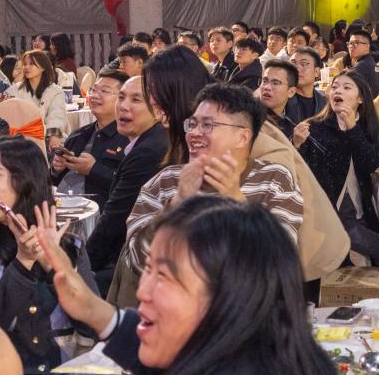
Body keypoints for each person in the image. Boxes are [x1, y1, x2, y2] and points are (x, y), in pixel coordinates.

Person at [0, 195, 347, 375]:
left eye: (165, 276)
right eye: (148, 270)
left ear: (231, 296)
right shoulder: (294, 361)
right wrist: (96, 311)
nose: (142, 291)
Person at [120, 82, 304, 290]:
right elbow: (136, 260)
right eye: (192, 124)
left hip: (244, 306)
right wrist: (178, 204)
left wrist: (236, 202)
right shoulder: (166, 181)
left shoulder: (273, 179)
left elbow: (279, 263)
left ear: (243, 137)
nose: (195, 133)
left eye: (207, 125)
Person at [0, 136, 97, 375]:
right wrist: (22, 264)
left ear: (25, 182)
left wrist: (54, 266)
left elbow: (94, 327)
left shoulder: (65, 240)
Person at [295, 71, 379, 265]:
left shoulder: (367, 127)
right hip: (328, 214)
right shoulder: (314, 127)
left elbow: (371, 163)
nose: (338, 91)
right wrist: (296, 144)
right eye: (335, 87)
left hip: (360, 209)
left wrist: (352, 128)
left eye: (346, 87)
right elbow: (299, 169)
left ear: (360, 98)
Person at [85, 75, 169, 286]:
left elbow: (115, 220)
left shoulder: (148, 152)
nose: (123, 106)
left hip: (134, 269)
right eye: (121, 97)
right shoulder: (150, 141)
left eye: (136, 100)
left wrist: (82, 269)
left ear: (159, 111)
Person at [50, 67, 128, 208]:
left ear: (122, 99)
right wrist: (57, 168)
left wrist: (93, 170)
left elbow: (130, 185)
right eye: (93, 90)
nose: (95, 95)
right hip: (61, 206)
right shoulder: (79, 134)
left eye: (105, 91)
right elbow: (52, 181)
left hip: (97, 212)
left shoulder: (128, 138)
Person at [3, 49, 67, 150]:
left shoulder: (56, 91)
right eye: (25, 64)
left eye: (32, 64)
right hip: (20, 137)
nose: (26, 67)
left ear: (43, 67)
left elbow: (56, 115)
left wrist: (53, 136)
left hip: (46, 137)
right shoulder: (14, 89)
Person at [285, 47, 327, 125]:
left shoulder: (323, 103)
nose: (297, 68)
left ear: (316, 72)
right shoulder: (281, 98)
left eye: (304, 64)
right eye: (293, 64)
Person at [259, 60, 299, 140]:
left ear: (291, 92)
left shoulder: (293, 118)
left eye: (275, 83)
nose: (267, 87)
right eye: (264, 81)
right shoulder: (251, 118)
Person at [345, 28, 379, 99]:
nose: (351, 46)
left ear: (367, 46)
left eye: (356, 43)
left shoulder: (362, 66)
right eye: (350, 43)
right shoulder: (370, 61)